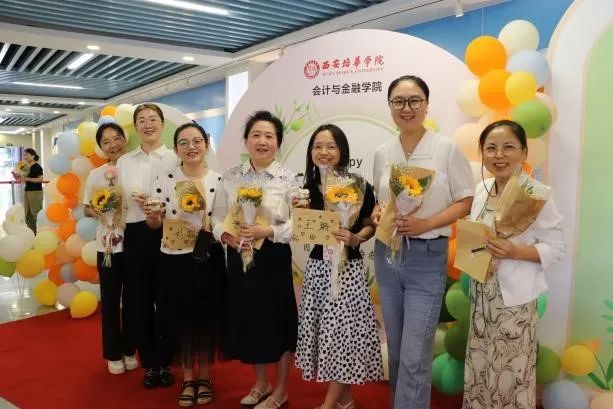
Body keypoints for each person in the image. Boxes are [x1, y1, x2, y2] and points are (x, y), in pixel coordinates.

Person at [371, 75, 474, 409]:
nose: (407, 108)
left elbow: (465, 201)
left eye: (414, 100)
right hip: (387, 254)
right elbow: (381, 201)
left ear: (426, 105)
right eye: (399, 101)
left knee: (415, 353)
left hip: (427, 256)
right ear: (390, 107)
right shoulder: (383, 152)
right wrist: (378, 213)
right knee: (397, 351)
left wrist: (426, 223)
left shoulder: (445, 148)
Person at [462, 120, 565, 409]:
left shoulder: (536, 193)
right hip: (481, 296)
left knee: (510, 374)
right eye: (491, 148)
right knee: (480, 369)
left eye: (508, 147)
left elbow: (556, 247)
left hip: (515, 302)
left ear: (524, 152)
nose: (499, 155)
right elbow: (476, 237)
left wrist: (515, 252)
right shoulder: (481, 190)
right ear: (482, 153)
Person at [212, 110, 297, 409]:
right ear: (246, 140)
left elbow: (299, 222)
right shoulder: (231, 176)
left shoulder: (288, 178)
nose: (262, 141)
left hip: (273, 256)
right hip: (240, 255)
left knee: (279, 321)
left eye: (269, 136)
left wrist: (268, 231)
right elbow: (217, 216)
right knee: (251, 320)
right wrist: (226, 236)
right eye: (256, 135)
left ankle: (281, 390)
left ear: (278, 143)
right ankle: (261, 383)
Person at [294, 124, 383, 409]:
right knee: (327, 337)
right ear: (311, 152)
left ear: (342, 151)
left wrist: (356, 238)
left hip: (349, 271)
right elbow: (302, 230)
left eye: (331, 146)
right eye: (318, 146)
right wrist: (298, 211)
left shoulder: (359, 185)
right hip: (318, 269)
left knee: (342, 337)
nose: (324, 152)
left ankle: (328, 404)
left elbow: (370, 225)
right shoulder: (305, 190)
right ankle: (345, 401)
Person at [146, 123, 224, 407]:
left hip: (208, 257)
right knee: (181, 319)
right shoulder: (164, 179)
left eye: (197, 141)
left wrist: (206, 225)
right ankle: (188, 378)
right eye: (184, 142)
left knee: (206, 318)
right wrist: (153, 217)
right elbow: (154, 224)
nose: (191, 147)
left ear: (206, 144)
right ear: (176, 149)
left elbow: (224, 221)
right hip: (174, 258)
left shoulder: (219, 180)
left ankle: (205, 376)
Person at [117, 103, 178, 389]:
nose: (148, 124)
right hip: (136, 233)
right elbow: (119, 200)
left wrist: (162, 205)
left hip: (169, 231)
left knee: (167, 298)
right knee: (139, 299)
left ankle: (167, 361)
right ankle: (150, 364)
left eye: (153, 119)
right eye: (141, 120)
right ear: (136, 127)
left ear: (162, 125)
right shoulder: (124, 162)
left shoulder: (175, 157)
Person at [83, 123, 137, 375]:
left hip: (134, 242)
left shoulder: (134, 169)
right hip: (106, 245)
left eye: (116, 138)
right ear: (100, 147)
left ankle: (130, 349)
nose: (113, 145)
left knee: (134, 299)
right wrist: (100, 211)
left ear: (125, 139)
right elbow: (86, 207)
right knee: (111, 299)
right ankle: (113, 354)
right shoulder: (96, 175)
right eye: (106, 142)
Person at [16, 148, 43, 233]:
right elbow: (23, 180)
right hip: (27, 191)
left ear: (33, 156)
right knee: (28, 213)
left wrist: (28, 179)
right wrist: (17, 176)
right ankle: (31, 232)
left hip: (36, 192)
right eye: (24, 155)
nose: (25, 157)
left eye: (27, 155)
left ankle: (40, 232)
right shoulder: (25, 167)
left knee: (35, 213)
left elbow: (40, 179)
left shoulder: (37, 167)